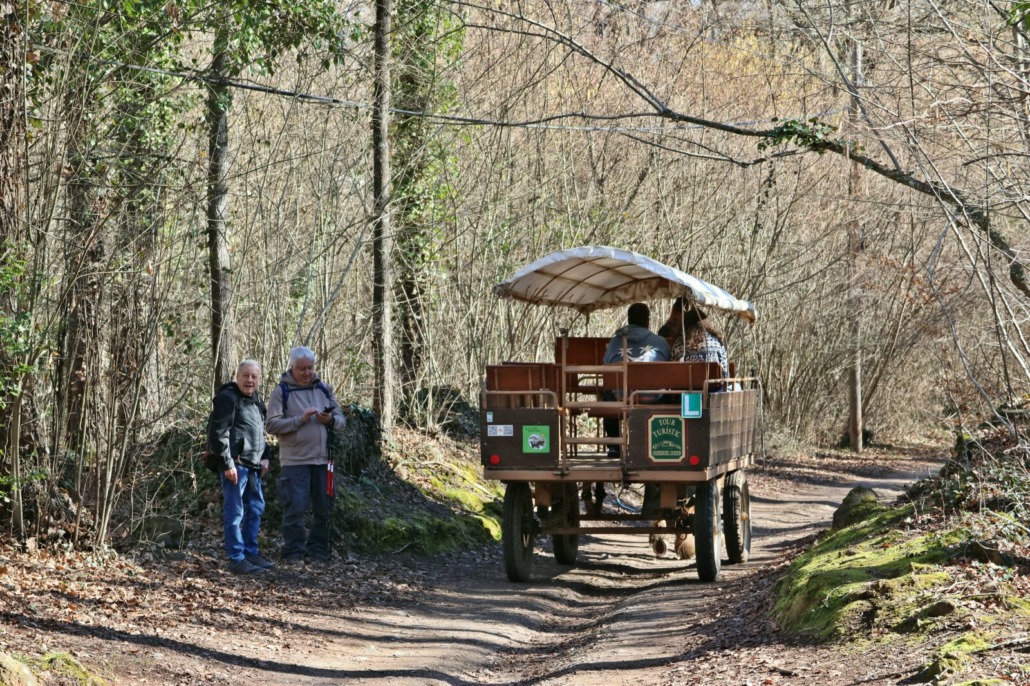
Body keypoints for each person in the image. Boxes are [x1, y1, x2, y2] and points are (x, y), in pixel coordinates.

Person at [265, 346, 346, 565]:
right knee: (295, 508)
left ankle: (318, 552)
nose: (308, 372)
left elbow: (341, 421)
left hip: (324, 460)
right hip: (295, 461)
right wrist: (300, 420)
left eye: (310, 368)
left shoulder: (324, 389)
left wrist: (329, 420)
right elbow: (271, 425)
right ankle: (293, 552)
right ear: (292, 367)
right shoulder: (281, 391)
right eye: (302, 369)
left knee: (324, 508)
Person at [590, 303, 671, 510]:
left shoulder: (615, 341)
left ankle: (614, 446)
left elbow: (606, 364)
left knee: (607, 394)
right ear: (647, 321)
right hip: (652, 398)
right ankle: (653, 446)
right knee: (666, 395)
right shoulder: (660, 342)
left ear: (629, 319)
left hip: (622, 397)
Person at [209, 359, 274, 575]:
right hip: (236, 466)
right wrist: (227, 464)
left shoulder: (257, 401)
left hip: (254, 466)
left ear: (259, 379)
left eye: (254, 376)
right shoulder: (228, 398)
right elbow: (218, 433)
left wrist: (266, 457)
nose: (250, 380)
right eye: (245, 375)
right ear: (237, 377)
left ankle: (250, 553)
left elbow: (259, 434)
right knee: (235, 513)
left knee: (255, 510)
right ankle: (236, 558)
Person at [658, 297, 729, 378]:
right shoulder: (715, 342)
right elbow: (725, 372)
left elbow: (674, 371)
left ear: (684, 325)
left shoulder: (678, 344)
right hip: (712, 385)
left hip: (685, 385)